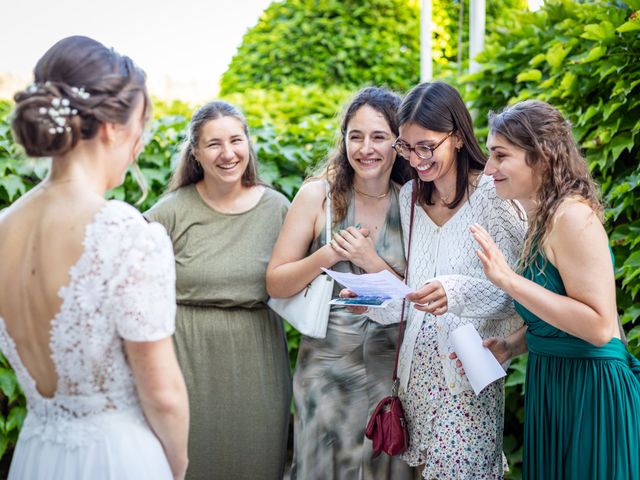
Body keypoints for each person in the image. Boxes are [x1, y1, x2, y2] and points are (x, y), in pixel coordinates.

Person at [0, 36, 189, 479]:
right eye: (141, 125)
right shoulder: (124, 233)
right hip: (118, 459)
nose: (140, 144)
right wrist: (177, 467)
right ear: (111, 128)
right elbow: (162, 394)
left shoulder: (2, 226)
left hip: (36, 455)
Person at [356, 81, 526, 479]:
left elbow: (522, 294)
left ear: (457, 137)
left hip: (468, 376)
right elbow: (417, 295)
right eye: (407, 147)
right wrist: (373, 300)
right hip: (416, 378)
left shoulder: (494, 195)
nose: (415, 159)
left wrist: (456, 291)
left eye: (426, 146)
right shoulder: (410, 196)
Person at [471, 99, 640, 479]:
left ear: (541, 159)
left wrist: (507, 280)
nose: (489, 168)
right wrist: (512, 345)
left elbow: (597, 326)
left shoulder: (572, 216)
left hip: (590, 391)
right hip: (553, 380)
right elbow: (558, 315)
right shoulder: (542, 220)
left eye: (500, 156)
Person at [266, 87, 415, 480]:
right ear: (344, 139)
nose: (366, 148)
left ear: (399, 143)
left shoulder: (414, 201)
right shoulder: (318, 196)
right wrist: (326, 256)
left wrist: (370, 262)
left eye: (379, 136)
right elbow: (276, 283)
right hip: (326, 374)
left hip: (392, 377)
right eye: (356, 136)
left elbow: (421, 295)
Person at [144, 101, 291, 480]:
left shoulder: (278, 208)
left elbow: (307, 280)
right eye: (213, 144)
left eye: (236, 140)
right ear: (195, 152)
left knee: (257, 462)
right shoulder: (171, 211)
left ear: (248, 144)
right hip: (186, 361)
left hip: (259, 361)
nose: (228, 154)